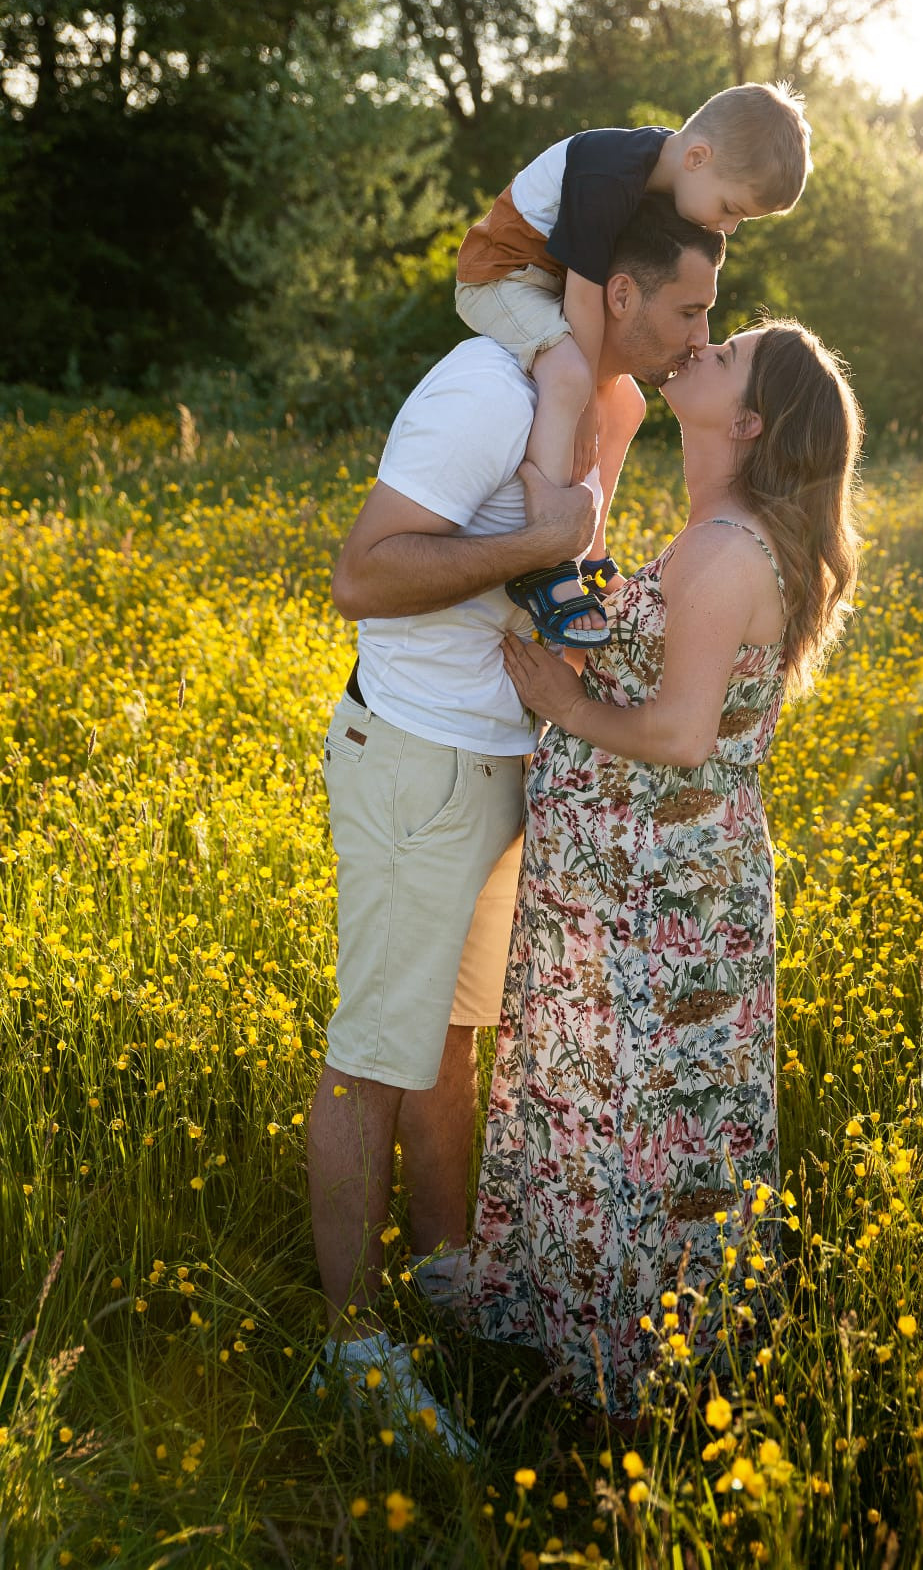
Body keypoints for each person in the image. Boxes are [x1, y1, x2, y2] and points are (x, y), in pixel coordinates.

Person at [306, 197, 727, 1453]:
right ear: (615, 292)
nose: (701, 331)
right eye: (689, 308)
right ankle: (352, 1349)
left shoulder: (608, 405)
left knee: (451, 1038)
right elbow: (361, 574)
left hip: (500, 757)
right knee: (375, 1050)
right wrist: (537, 544)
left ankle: (447, 1280)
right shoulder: (488, 390)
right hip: (417, 754)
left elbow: (546, 569)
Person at [465, 321, 862, 1420]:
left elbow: (684, 733)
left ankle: (630, 1393)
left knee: (647, 1124)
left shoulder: (728, 550)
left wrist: (566, 704)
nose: (702, 345)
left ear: (746, 423)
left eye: (726, 352)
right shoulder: (714, 533)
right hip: (643, 881)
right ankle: (607, 1356)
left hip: (661, 895)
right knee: (628, 1114)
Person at [455, 83, 812, 646]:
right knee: (572, 375)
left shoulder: (665, 177)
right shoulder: (608, 173)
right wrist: (579, 413)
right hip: (502, 277)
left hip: (543, 283)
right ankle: (545, 563)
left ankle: (589, 555)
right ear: (697, 159)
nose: (729, 227)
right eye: (731, 209)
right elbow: (584, 300)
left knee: (625, 401)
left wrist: (604, 400)